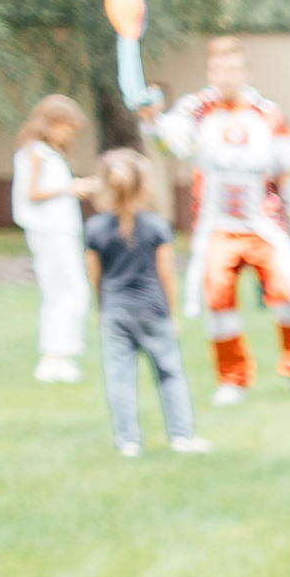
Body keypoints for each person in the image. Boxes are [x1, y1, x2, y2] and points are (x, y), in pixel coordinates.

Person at [148, 36, 290, 404]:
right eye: (219, 69)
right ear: (210, 71)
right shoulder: (196, 110)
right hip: (217, 226)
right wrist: (153, 120)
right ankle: (232, 379)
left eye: (233, 69)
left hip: (263, 224)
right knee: (218, 301)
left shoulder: (268, 114)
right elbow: (172, 143)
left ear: (246, 71)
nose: (226, 76)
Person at [84, 149, 210, 459]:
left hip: (114, 310)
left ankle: (128, 442)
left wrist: (101, 308)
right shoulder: (156, 226)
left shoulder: (95, 228)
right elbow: (166, 274)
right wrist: (172, 313)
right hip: (153, 309)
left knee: (120, 377)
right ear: (144, 185)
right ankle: (182, 437)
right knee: (170, 373)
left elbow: (94, 276)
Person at [13, 96, 95, 384]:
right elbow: (32, 193)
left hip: (60, 230)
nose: (68, 135)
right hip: (50, 231)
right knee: (68, 290)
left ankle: (59, 356)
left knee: (65, 291)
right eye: (66, 128)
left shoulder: (47, 153)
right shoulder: (37, 153)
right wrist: (69, 188)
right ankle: (56, 356)